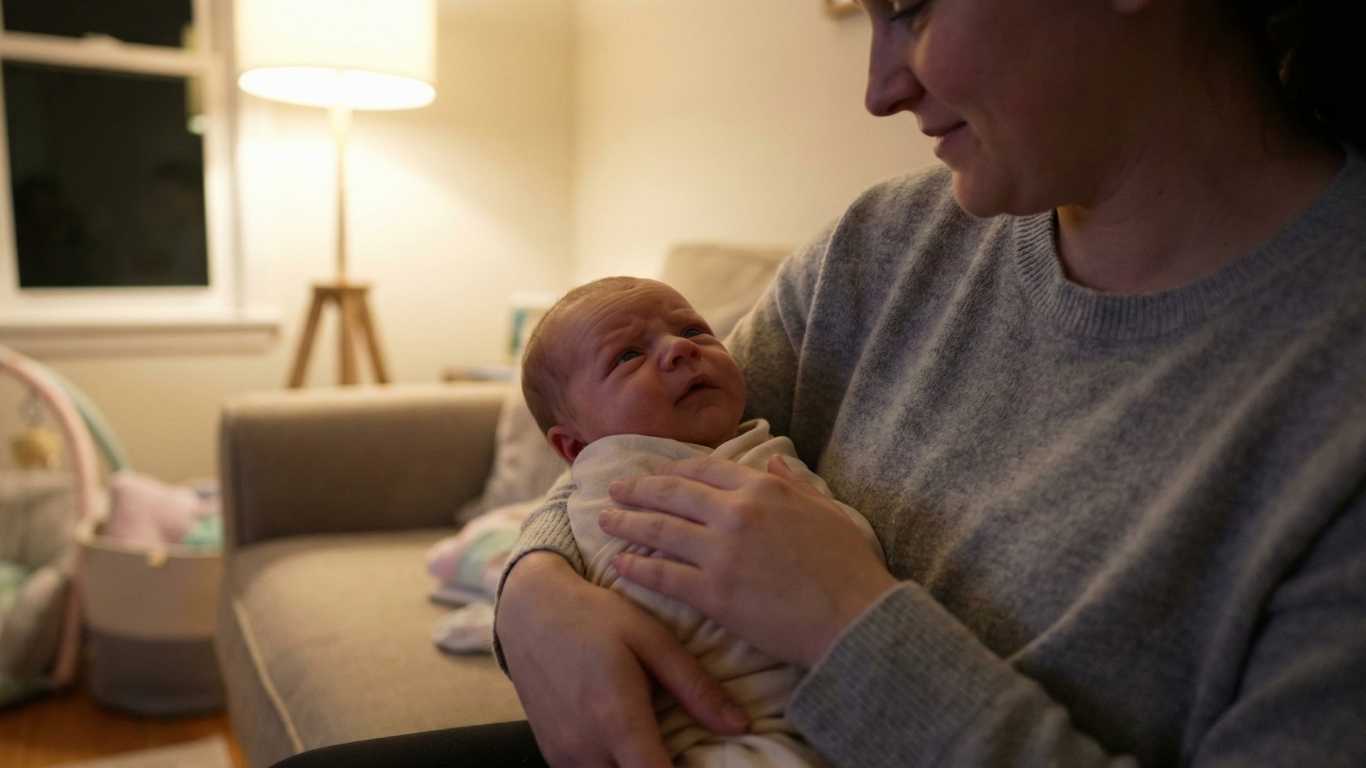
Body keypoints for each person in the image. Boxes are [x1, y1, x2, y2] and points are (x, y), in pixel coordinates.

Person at [275, 0, 1366, 765]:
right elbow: (628, 459)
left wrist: (853, 624)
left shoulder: (1330, 398)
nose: (879, 86)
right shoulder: (882, 252)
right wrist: (535, 596)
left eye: (909, 5)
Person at [519, 275, 883, 767]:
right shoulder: (616, 487)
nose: (678, 349)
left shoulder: (745, 440)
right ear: (577, 449)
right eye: (627, 356)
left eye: (694, 331)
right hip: (719, 737)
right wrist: (529, 584)